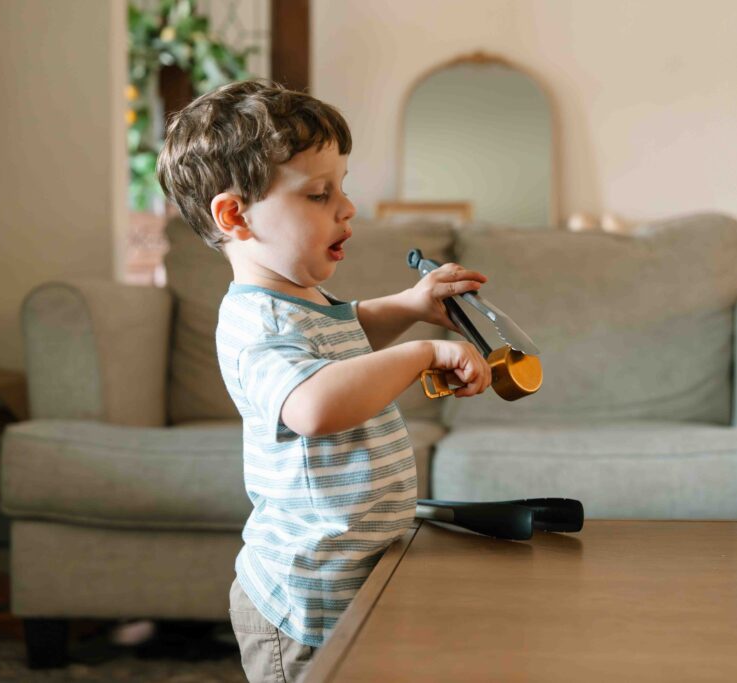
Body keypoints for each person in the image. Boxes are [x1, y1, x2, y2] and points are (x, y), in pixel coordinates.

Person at [156, 79, 492, 683]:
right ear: (235, 215)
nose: (347, 206)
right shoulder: (255, 318)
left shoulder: (299, 298)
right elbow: (312, 404)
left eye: (342, 186)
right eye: (318, 194)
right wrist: (422, 352)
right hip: (303, 602)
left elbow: (347, 333)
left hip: (347, 578)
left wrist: (412, 303)